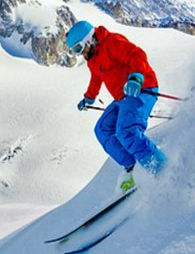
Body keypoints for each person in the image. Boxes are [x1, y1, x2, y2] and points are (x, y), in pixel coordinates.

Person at [66, 21, 167, 191]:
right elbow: (96, 78)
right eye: (74, 52)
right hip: (123, 97)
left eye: (78, 49)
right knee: (102, 130)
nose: (78, 54)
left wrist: (136, 77)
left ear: (88, 40)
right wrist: (88, 98)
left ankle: (161, 169)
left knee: (126, 131)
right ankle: (133, 167)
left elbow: (137, 54)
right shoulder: (92, 58)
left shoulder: (111, 42)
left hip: (142, 89)